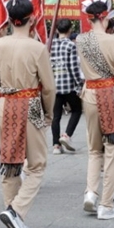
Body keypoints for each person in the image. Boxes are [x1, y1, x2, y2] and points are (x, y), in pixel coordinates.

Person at [0, 0, 56, 228]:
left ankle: (13, 220)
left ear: (10, 19)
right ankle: (16, 211)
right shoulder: (37, 48)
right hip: (30, 104)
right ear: (32, 19)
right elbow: (48, 88)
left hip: (6, 104)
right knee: (37, 165)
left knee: (10, 163)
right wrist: (49, 112)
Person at [76, 1, 114, 220]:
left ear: (89, 18)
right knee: (112, 149)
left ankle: (90, 192)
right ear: (105, 18)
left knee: (94, 149)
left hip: (90, 94)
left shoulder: (80, 39)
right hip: (111, 93)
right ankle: (106, 204)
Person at [49, 19, 84, 155]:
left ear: (57, 30)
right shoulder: (70, 45)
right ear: (70, 30)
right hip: (68, 85)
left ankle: (56, 145)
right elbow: (74, 67)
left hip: (54, 85)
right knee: (77, 110)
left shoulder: (49, 44)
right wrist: (79, 84)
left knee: (55, 116)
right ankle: (66, 135)